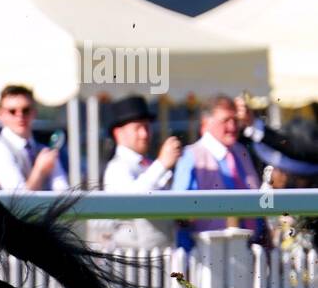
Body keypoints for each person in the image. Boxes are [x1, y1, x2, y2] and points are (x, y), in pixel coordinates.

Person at [171, 95, 267, 250]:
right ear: (205, 123)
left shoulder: (241, 151)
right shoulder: (190, 155)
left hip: (248, 248)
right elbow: (179, 213)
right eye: (225, 120)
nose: (232, 126)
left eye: (235, 120)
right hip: (205, 252)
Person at [94, 96, 181, 250]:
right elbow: (132, 201)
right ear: (118, 133)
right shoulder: (116, 167)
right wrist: (161, 164)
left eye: (147, 127)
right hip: (133, 262)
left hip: (158, 257)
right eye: (137, 128)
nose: (144, 134)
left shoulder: (147, 165)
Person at [0, 85, 69, 192]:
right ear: (1, 114)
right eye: (12, 111)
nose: (20, 115)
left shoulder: (42, 150)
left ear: (34, 112)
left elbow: (63, 192)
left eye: (26, 110)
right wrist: (40, 170)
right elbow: (20, 200)